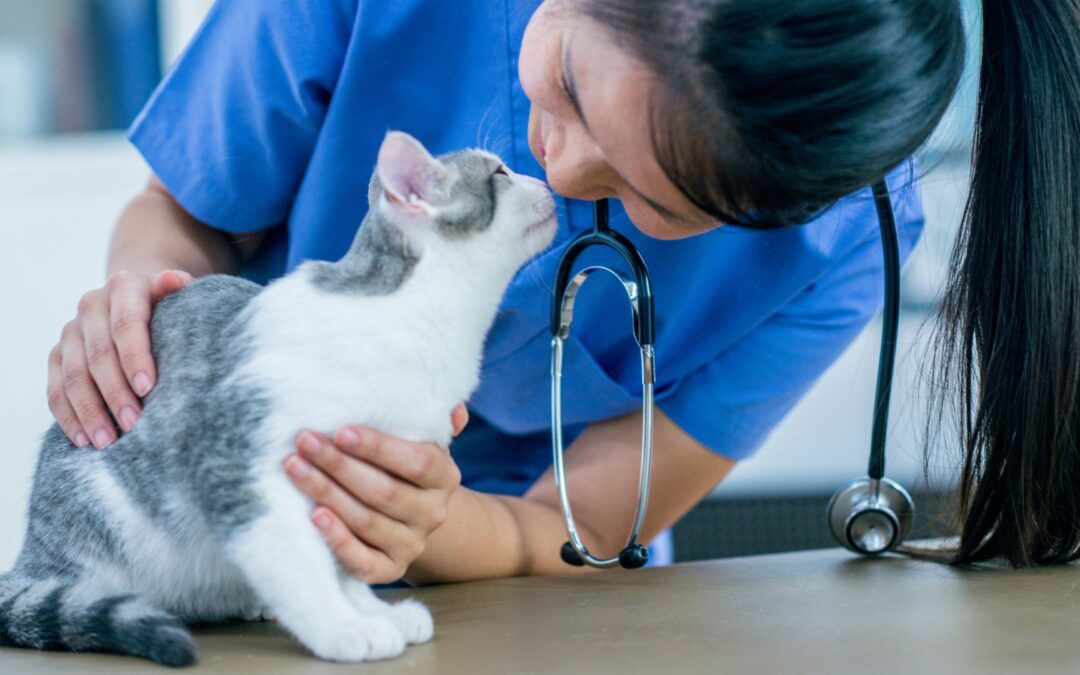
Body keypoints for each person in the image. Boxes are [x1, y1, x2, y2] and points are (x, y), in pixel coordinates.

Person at [43, 0, 1078, 585]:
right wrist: (143, 302)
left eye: (654, 203)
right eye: (574, 86)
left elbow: (566, 529)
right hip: (235, 520)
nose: (563, 166)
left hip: (532, 593)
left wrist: (426, 523)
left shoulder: (843, 243)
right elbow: (186, 215)